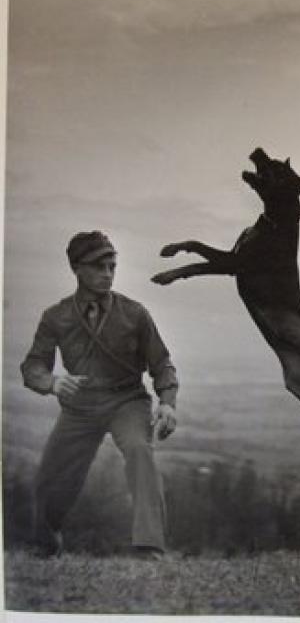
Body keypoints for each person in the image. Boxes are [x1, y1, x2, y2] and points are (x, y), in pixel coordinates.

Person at [21, 231, 179, 559]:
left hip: (127, 401)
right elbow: (33, 365)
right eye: (99, 266)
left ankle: (149, 546)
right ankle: (46, 544)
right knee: (50, 476)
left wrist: (166, 403)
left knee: (140, 453)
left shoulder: (135, 313)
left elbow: (161, 363)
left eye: (112, 266)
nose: (108, 273)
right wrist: (51, 383)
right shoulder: (56, 316)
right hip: (79, 407)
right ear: (77, 269)